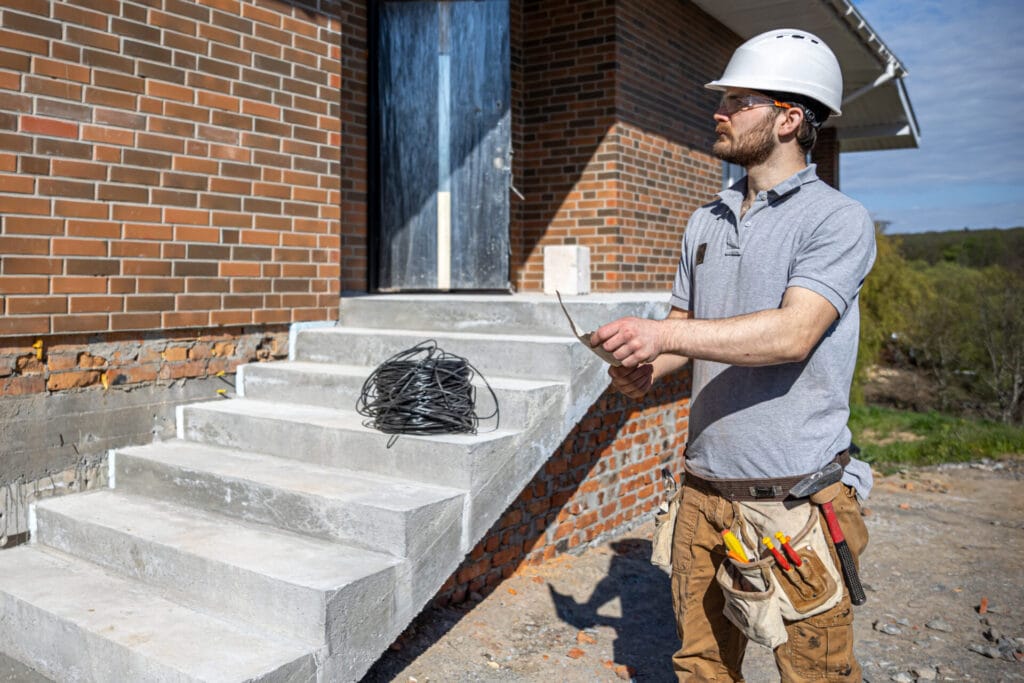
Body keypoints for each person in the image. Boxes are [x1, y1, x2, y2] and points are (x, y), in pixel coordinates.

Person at [591, 29, 875, 681]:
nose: (718, 111)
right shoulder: (705, 221)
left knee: (815, 673)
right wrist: (644, 364)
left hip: (794, 506)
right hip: (703, 495)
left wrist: (666, 337)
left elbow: (793, 333)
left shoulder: (837, 220)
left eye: (738, 100)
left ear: (788, 118)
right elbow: (686, 327)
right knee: (701, 666)